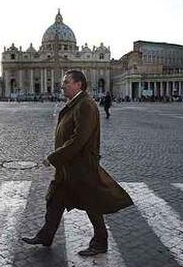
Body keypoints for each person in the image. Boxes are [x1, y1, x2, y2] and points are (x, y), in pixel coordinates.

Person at [22, 70, 133, 256]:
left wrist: (54, 157)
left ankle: (100, 241)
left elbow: (78, 139)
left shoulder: (86, 105)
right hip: (69, 165)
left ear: (78, 84)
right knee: (54, 199)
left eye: (66, 82)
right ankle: (46, 235)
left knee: (91, 203)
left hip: (80, 165)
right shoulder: (76, 103)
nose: (62, 85)